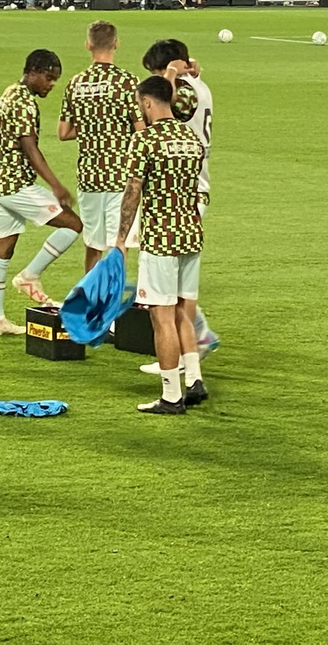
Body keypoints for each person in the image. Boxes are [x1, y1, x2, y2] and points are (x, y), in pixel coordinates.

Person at [114, 76, 206, 415]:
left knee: (161, 316)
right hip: (191, 234)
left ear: (148, 102)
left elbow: (133, 192)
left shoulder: (144, 141)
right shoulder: (191, 137)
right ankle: (194, 379)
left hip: (160, 237)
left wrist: (121, 239)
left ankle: (170, 396)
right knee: (183, 310)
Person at [0, 49, 83, 335]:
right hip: (16, 184)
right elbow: (30, 148)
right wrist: (55, 184)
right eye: (49, 78)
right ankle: (30, 275)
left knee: (3, 250)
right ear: (35, 71)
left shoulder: (10, 92)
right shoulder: (25, 103)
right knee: (73, 224)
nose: (51, 85)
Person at [54, 21, 143, 281]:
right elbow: (140, 129)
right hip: (120, 176)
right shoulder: (128, 82)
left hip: (90, 176)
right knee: (119, 243)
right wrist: (114, 129)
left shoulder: (76, 83)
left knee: (92, 243)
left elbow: (63, 132)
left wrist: (94, 128)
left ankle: (90, 300)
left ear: (88, 45)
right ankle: (111, 303)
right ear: (116, 44)